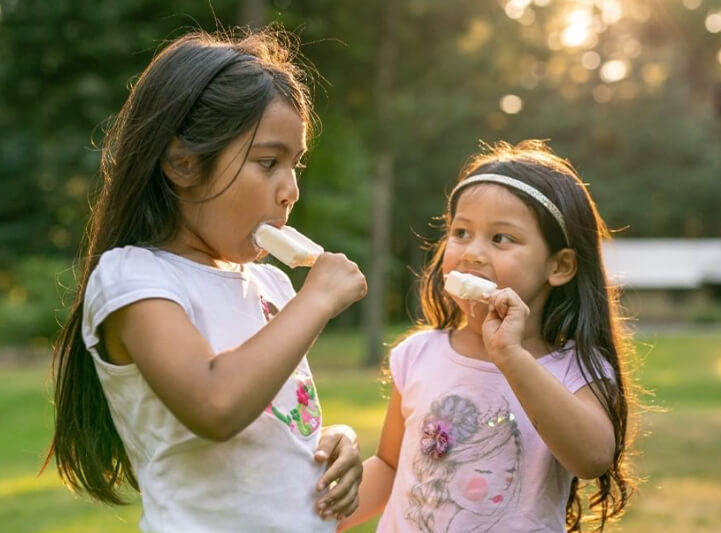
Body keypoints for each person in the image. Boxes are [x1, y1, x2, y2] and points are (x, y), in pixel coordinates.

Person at [42, 28, 368, 532]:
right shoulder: (133, 278)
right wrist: (318, 299)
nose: (292, 190)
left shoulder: (272, 287)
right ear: (184, 163)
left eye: (295, 164)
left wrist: (336, 439)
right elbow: (216, 406)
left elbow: (277, 429)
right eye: (268, 162)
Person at [340, 140, 636, 532]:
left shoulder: (575, 369)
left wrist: (511, 357)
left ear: (559, 266)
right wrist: (317, 515)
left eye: (500, 239)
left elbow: (593, 457)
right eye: (461, 232)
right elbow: (390, 466)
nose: (471, 253)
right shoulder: (418, 354)